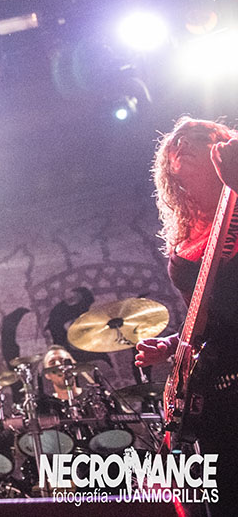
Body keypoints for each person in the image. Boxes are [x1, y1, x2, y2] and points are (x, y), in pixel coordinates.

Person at [135, 116, 238, 514]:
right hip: (215, 395)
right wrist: (173, 345)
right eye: (175, 142)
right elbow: (211, 320)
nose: (183, 143)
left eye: (198, 136)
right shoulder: (181, 249)